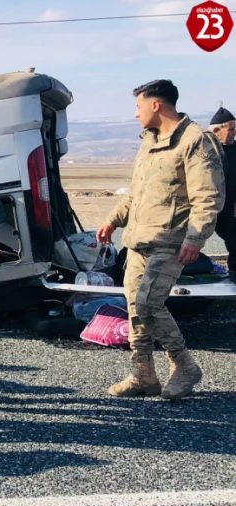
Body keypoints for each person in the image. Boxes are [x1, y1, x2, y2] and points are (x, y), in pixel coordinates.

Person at [97, 80, 224, 400]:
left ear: (156, 105)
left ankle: (184, 366)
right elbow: (137, 191)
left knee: (148, 304)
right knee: (134, 309)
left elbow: (207, 197)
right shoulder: (150, 142)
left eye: (139, 105)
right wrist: (113, 219)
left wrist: (196, 239)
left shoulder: (195, 140)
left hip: (171, 240)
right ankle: (144, 375)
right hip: (139, 238)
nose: (136, 112)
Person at [209, 106, 236, 267]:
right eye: (231, 129)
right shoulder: (205, 149)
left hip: (230, 208)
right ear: (217, 130)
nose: (234, 133)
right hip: (206, 207)